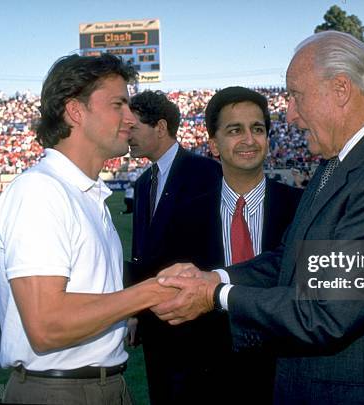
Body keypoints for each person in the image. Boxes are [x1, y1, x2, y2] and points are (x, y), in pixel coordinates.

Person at [153, 31, 364, 404]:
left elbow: (327, 312)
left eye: (296, 96)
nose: (290, 114)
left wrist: (216, 296)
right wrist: (217, 275)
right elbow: (291, 258)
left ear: (340, 89)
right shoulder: (344, 163)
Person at [0, 54, 176, 404]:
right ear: (76, 111)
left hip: (100, 385)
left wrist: (121, 320)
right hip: (59, 391)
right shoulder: (40, 192)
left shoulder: (86, 195)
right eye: (118, 104)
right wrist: (149, 293)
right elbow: (47, 326)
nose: (130, 118)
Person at [160, 86, 302, 404]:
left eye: (258, 129)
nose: (249, 140)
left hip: (287, 374)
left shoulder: (302, 208)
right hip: (210, 380)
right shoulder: (182, 216)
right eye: (235, 130)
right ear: (213, 144)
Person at [123, 90, 222, 405]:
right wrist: (136, 313)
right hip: (154, 324)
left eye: (133, 129)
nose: (127, 137)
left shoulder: (208, 173)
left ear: (161, 127)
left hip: (198, 322)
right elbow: (141, 252)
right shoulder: (141, 184)